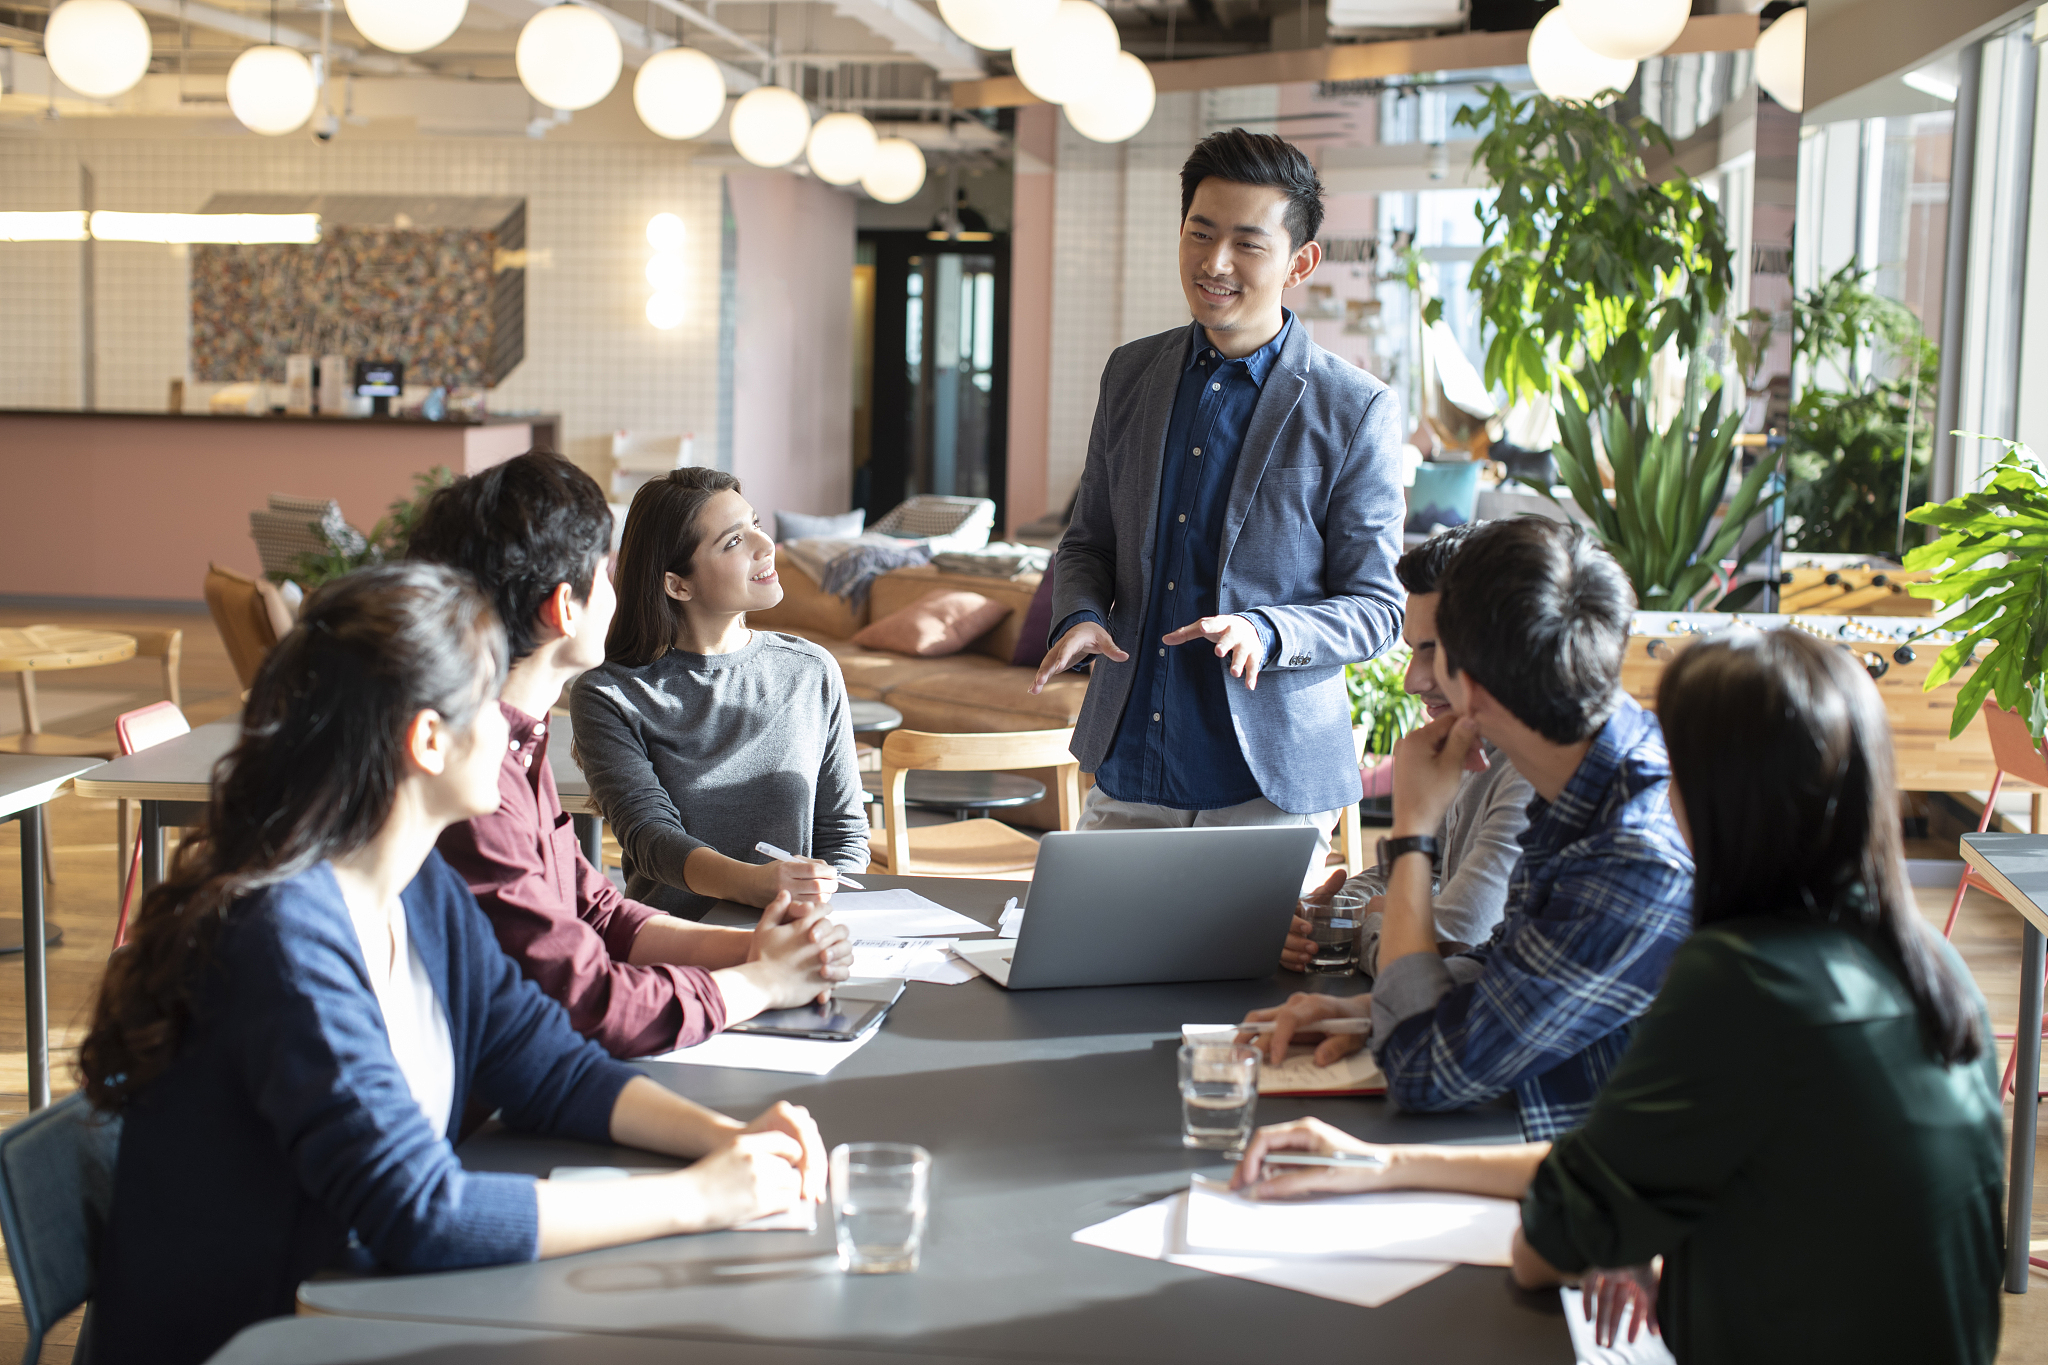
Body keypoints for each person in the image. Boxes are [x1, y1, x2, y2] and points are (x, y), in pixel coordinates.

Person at [81, 565, 828, 1365]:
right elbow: (422, 1211)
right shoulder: (285, 937)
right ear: (427, 739)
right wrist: (699, 1196)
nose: (513, 727)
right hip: (258, 1338)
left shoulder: (421, 887)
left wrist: (729, 1139)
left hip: (354, 1310)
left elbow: (550, 1070)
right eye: (488, 701)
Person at [1234, 628, 2004, 1365]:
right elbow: (1615, 1163)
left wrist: (1614, 1232)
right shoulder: (1931, 966)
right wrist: (1384, 1164)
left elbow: (1544, 1248)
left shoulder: (1738, 980)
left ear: (1715, 800)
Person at [1248, 517, 1693, 1140]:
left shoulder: (1632, 853)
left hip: (1565, 1182)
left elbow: (1425, 1073)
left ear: (1474, 685)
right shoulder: (1595, 785)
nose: (1411, 681)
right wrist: (1366, 1011)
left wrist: (1412, 834)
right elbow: (1510, 967)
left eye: (1434, 652)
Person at [1032, 128, 1404, 864]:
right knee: (1093, 971)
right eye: (1199, 233)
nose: (1215, 263)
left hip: (1270, 781)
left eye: (1246, 243)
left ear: (1300, 262)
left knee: (1247, 982)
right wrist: (1077, 613)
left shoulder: (1353, 406)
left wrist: (1267, 631)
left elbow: (1378, 611)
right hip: (1132, 752)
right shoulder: (1130, 372)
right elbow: (1088, 541)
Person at [407, 453, 853, 1058]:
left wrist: (767, 953)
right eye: (603, 571)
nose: (618, 587)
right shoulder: (478, 777)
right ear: (567, 607)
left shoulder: (519, 745)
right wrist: (760, 981)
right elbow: (585, 999)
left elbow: (595, 911)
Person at [571, 468, 869, 922]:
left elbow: (844, 833)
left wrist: (820, 909)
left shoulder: (812, 670)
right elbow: (650, 837)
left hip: (795, 934)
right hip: (675, 948)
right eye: (733, 542)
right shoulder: (610, 694)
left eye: (756, 526)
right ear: (677, 584)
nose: (764, 546)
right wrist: (757, 885)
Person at [1280, 524, 1532, 974]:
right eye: (1414, 651)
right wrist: (1334, 909)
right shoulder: (1467, 744)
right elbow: (1426, 878)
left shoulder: (1529, 775)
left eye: (1434, 650)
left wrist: (1371, 924)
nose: (1412, 682)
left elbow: (1435, 960)